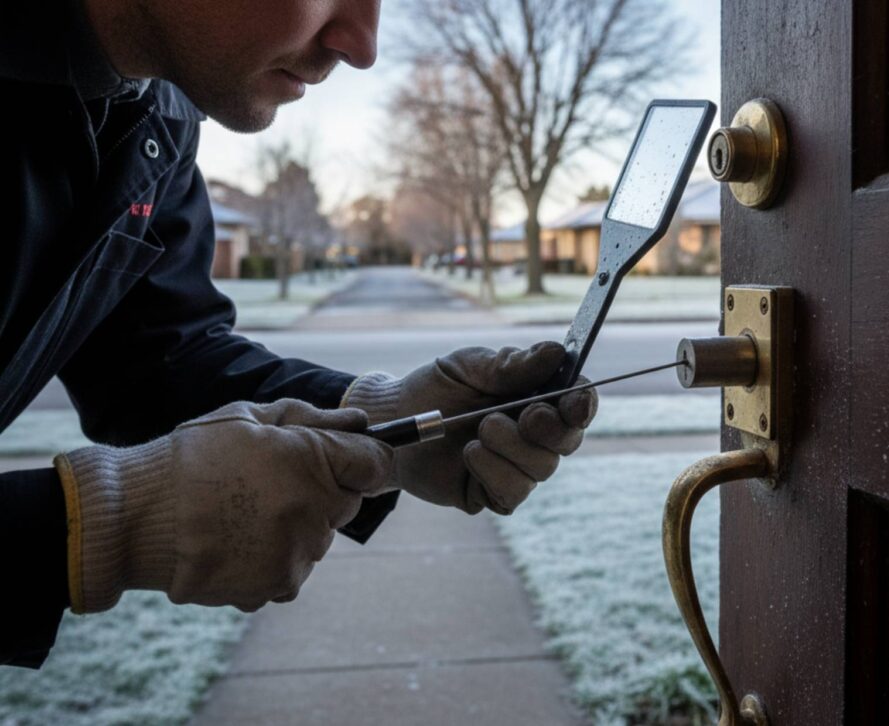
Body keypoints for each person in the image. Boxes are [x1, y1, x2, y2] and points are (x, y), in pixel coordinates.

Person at [0, 0, 598, 667]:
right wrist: (102, 523)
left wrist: (381, 419)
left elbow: (157, 360)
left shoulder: (156, 112)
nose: (362, 44)